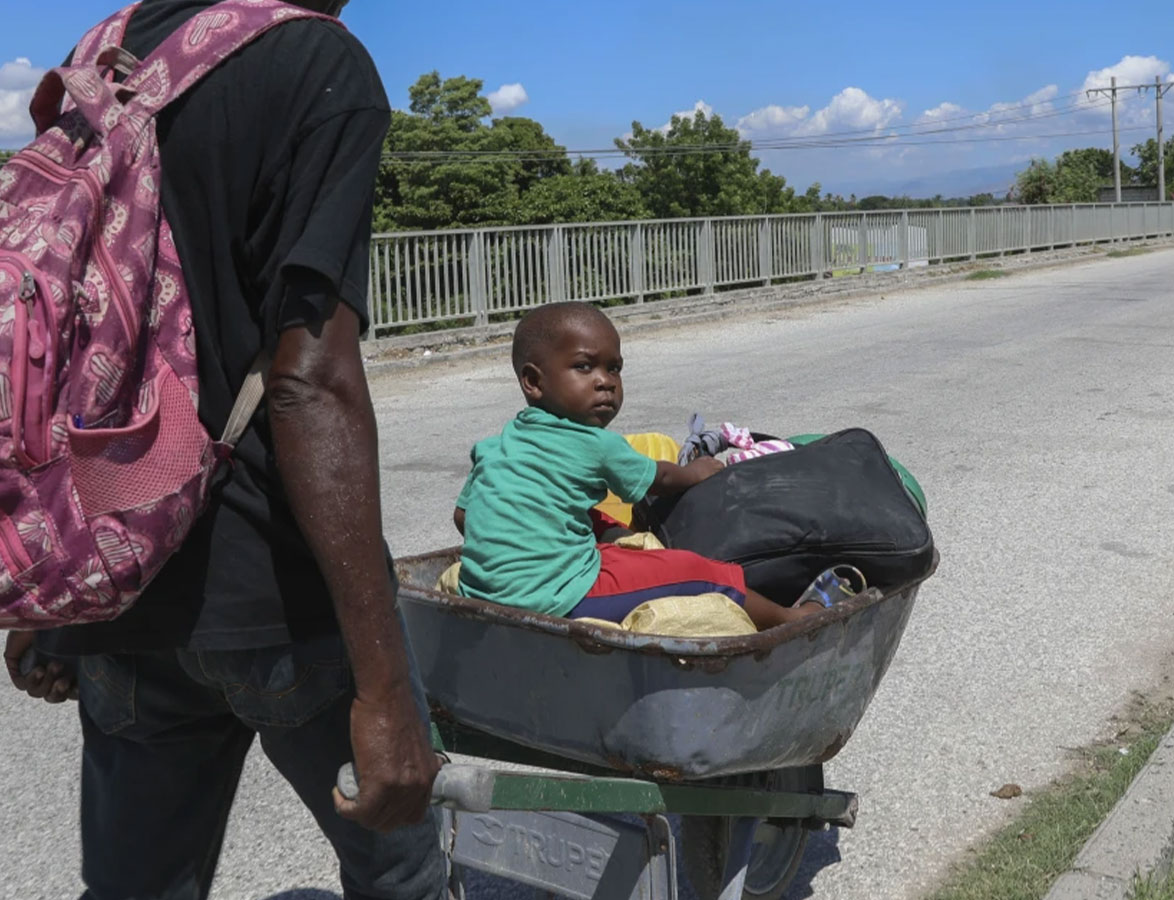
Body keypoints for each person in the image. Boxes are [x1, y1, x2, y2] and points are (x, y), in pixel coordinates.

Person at [2, 2, 448, 898]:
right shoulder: (316, 63)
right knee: (401, 874)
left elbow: (64, 344)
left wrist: (51, 607)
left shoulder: (110, 50)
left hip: (119, 567)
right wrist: (387, 686)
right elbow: (309, 377)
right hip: (275, 590)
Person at [452, 302, 825, 630]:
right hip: (559, 597)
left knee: (591, 520)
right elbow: (659, 478)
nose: (605, 383)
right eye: (584, 367)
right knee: (694, 570)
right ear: (533, 381)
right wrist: (696, 472)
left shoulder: (495, 445)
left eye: (614, 369)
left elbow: (463, 517)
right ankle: (788, 618)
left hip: (481, 590)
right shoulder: (595, 444)